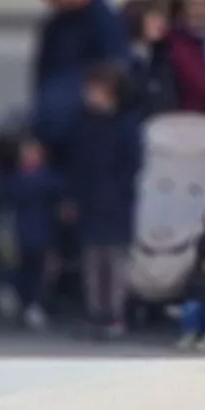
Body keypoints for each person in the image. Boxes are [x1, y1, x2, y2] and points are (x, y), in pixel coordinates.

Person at [66, 67, 142, 337]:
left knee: (115, 259)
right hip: (90, 199)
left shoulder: (124, 125)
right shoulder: (83, 124)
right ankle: (96, 310)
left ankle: (115, 312)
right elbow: (76, 165)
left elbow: (131, 163)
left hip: (115, 200)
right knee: (92, 259)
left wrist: (118, 191)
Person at [27, 0, 130, 142]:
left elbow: (117, 67)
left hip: (91, 124)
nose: (51, 2)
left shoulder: (103, 19)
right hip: (55, 121)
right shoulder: (54, 25)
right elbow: (43, 76)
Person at [0, 136, 65, 326]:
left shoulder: (50, 179)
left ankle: (33, 304)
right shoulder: (13, 180)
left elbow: (62, 201)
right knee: (18, 265)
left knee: (39, 269)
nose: (30, 156)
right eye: (26, 152)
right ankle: (14, 293)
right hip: (18, 230)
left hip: (43, 229)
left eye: (34, 152)